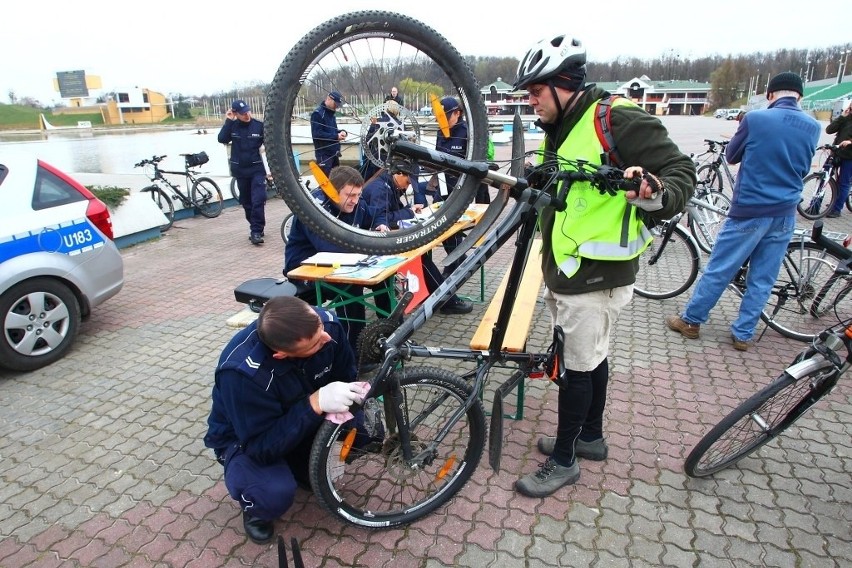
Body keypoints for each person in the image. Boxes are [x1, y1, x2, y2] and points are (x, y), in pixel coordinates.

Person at [511, 34, 695, 498]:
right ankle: (589, 437)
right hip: (571, 268)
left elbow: (680, 172)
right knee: (591, 357)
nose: (530, 100)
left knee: (575, 367)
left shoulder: (614, 117)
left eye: (535, 91)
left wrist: (654, 191)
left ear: (562, 85)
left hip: (597, 274)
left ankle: (565, 460)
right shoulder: (563, 125)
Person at [666, 72, 820, 352]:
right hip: (785, 212)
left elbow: (732, 155)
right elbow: (804, 167)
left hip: (751, 208)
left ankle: (691, 321)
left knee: (720, 268)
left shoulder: (756, 118)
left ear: (771, 94)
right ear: (800, 96)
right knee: (763, 277)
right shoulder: (813, 125)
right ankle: (744, 334)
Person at [203, 295, 371, 544]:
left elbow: (345, 374)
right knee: (274, 493)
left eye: (321, 329)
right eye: (315, 344)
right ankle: (256, 510)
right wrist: (314, 403)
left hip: (298, 415)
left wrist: (348, 399)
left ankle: (301, 466)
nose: (326, 338)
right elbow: (260, 447)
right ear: (282, 355)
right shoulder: (242, 374)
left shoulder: (326, 325)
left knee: (365, 433)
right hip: (247, 438)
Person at [284, 166, 384, 354]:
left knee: (385, 278)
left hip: (338, 266)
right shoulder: (314, 210)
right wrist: (370, 247)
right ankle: (353, 353)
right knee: (349, 287)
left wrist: (380, 224)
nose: (355, 200)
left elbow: (376, 213)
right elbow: (331, 250)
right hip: (304, 272)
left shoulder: (356, 203)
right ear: (333, 190)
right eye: (350, 195)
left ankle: (390, 335)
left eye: (358, 194)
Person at [361, 159, 473, 315]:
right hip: (374, 245)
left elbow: (390, 213)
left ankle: (440, 297)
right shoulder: (380, 189)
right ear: (398, 172)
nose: (407, 187)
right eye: (407, 182)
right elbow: (381, 219)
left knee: (421, 258)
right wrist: (410, 212)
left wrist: (409, 209)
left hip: (382, 241)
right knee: (420, 260)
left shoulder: (388, 184)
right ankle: (446, 301)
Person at [218, 99, 269, 245]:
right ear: (235, 113)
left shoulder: (259, 126)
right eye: (242, 113)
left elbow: (270, 146)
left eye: (248, 111)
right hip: (240, 170)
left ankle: (256, 231)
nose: (247, 115)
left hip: (257, 169)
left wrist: (271, 170)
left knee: (258, 199)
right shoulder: (232, 126)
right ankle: (255, 225)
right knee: (246, 202)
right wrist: (228, 121)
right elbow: (221, 139)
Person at [311, 91, 348, 176]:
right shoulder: (318, 114)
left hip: (334, 154)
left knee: (336, 181)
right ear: (329, 99)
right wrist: (336, 136)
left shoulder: (331, 114)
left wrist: (342, 132)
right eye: (335, 104)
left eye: (338, 105)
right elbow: (316, 134)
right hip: (324, 155)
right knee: (326, 184)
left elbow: (333, 131)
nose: (337, 107)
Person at [825, 102, 852, 218]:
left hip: (850, 156)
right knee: (824, 177)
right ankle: (814, 205)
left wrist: (850, 142)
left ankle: (837, 209)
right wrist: (842, 116)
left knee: (843, 182)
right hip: (837, 153)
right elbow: (829, 130)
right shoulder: (846, 118)